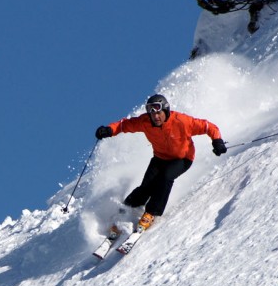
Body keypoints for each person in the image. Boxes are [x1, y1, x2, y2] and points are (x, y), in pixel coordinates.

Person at [95, 94, 227, 230]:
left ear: (166, 110)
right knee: (146, 186)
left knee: (166, 178)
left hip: (182, 158)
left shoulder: (181, 121)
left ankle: (151, 212)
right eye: (152, 114)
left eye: (159, 113)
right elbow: (124, 125)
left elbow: (208, 126)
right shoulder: (145, 122)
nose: (156, 117)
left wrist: (217, 141)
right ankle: (126, 209)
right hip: (160, 158)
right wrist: (109, 130)